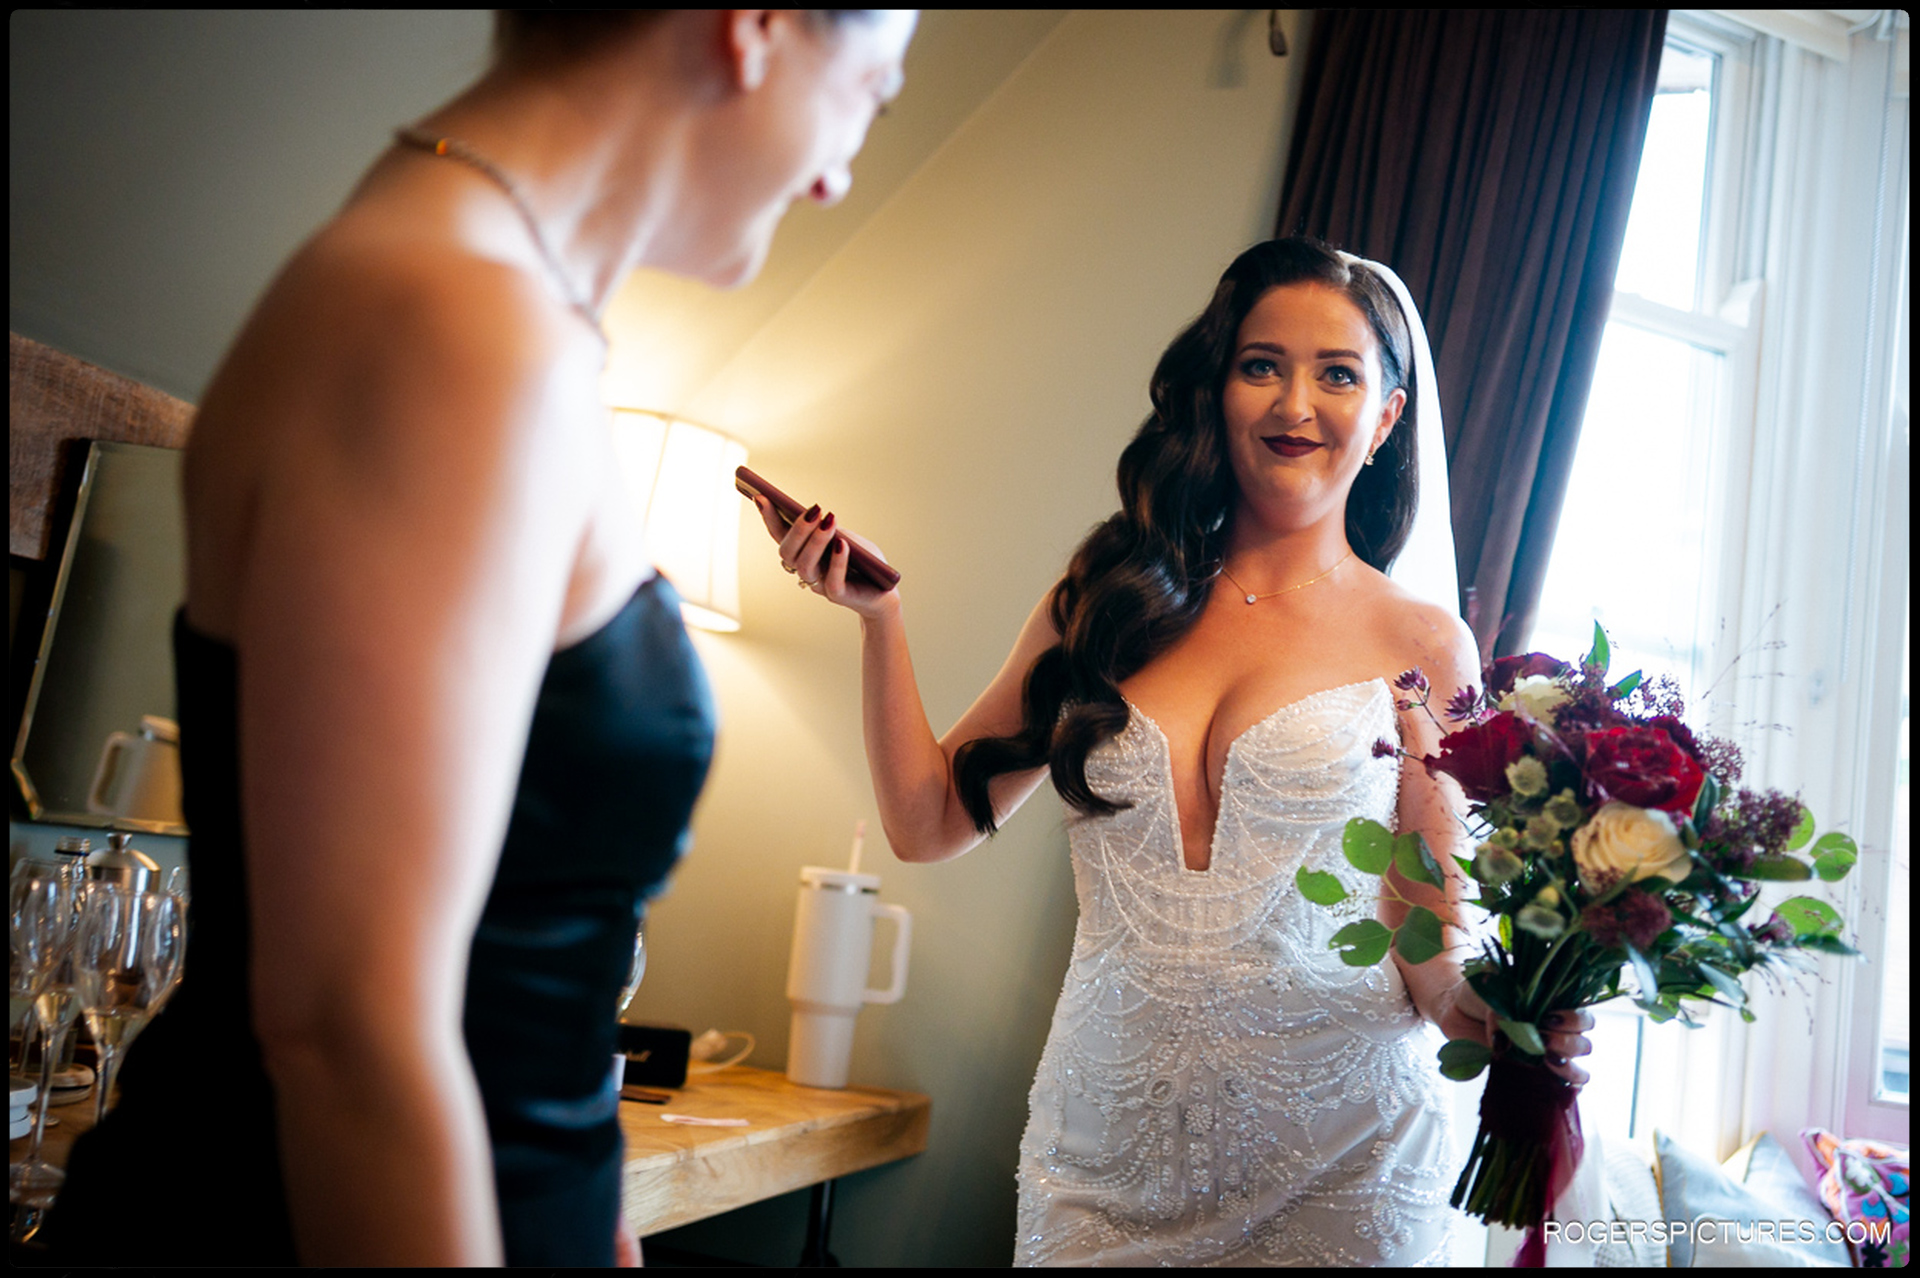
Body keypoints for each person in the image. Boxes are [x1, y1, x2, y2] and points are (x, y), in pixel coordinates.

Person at [47, 10, 917, 1267]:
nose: (841, 171)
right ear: (759, 26)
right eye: (871, 94)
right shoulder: (450, 325)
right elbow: (349, 1030)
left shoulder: (496, 307)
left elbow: (509, 982)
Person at [753, 236, 1594, 1265]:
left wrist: (1513, 1023)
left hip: (1345, 1167)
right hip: (1100, 1162)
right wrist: (879, 623)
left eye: (1337, 375)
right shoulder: (1103, 604)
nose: (1295, 404)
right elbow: (929, 824)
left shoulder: (1421, 645)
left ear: (1385, 418)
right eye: (1261, 365)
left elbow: (1426, 942)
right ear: (1215, 392)